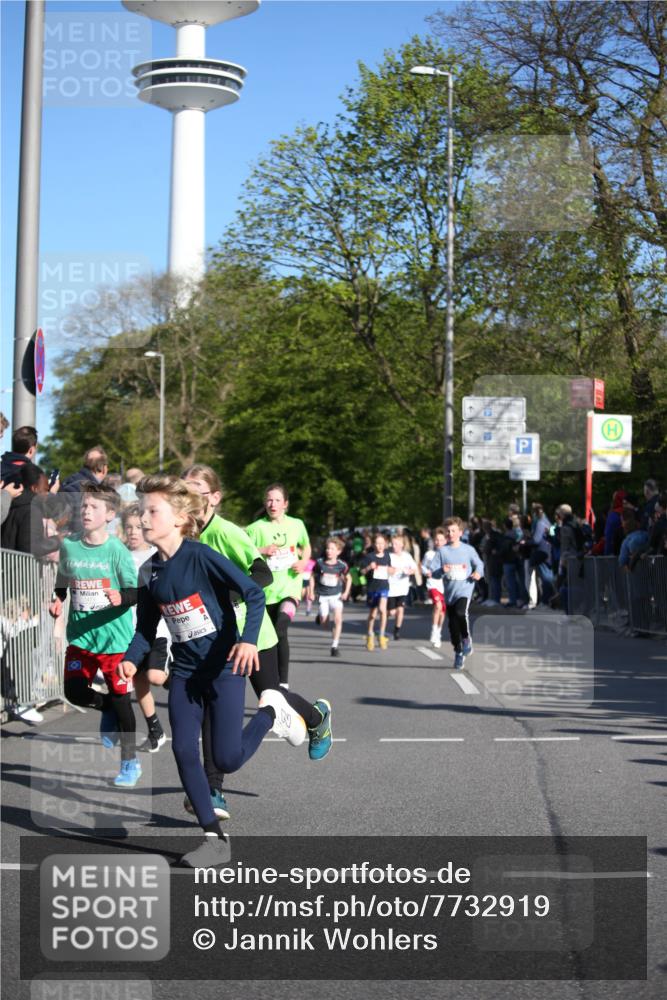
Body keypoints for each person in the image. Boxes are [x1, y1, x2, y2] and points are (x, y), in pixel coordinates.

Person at [117, 475, 303, 868]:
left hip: (224, 668)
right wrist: (131, 659)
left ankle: (272, 713)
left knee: (228, 759)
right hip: (186, 673)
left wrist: (248, 641)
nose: (143, 519)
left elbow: (253, 592)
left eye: (152, 511)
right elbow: (145, 630)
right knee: (184, 751)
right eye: (141, 511)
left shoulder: (201, 556)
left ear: (179, 518)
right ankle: (214, 840)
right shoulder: (149, 572)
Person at [181, 465, 333, 822]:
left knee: (272, 696)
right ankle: (213, 789)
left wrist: (224, 593)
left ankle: (317, 717)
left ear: (214, 497)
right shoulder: (184, 535)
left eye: (196, 489)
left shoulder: (227, 532)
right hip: (212, 638)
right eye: (183, 489)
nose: (187, 495)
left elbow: (261, 573)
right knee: (211, 706)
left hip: (253, 634)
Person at [48, 481, 140, 786]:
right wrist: (58, 598)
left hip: (114, 640)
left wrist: (120, 597)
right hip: (82, 637)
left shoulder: (117, 551)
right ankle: (106, 706)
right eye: (84, 505)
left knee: (123, 701)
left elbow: (135, 592)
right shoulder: (70, 545)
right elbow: (63, 577)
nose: (86, 511)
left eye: (94, 507)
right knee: (74, 691)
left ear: (109, 514)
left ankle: (130, 763)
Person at [246, 484, 311, 689]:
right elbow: (243, 553)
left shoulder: (297, 524)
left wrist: (304, 562)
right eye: (269, 500)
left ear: (285, 504)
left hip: (290, 588)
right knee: (270, 639)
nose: (272, 504)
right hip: (266, 592)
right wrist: (262, 550)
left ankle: (283, 683)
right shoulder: (255, 528)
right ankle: (272, 682)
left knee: (281, 628)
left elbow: (306, 547)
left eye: (277, 500)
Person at [121, 504, 169, 754]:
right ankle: (155, 730)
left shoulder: (154, 556)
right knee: (139, 682)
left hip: (157, 630)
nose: (133, 532)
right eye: (128, 527)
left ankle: (179, 679)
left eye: (138, 527)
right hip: (130, 632)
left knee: (155, 677)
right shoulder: (120, 556)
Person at [430, 516, 483, 670]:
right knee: (453, 627)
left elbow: (479, 564)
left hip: (465, 589)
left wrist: (478, 573)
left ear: (460, 532)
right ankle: (458, 651)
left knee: (461, 613)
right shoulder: (442, 551)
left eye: (454, 531)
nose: (450, 534)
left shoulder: (468, 550)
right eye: (448, 531)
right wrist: (442, 570)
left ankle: (466, 639)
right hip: (450, 593)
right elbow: (433, 572)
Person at [2, 464, 63, 559]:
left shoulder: (7, 505)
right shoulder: (31, 510)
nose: (47, 494)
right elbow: (30, 548)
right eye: (45, 490)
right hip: (20, 567)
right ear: (35, 488)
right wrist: (58, 539)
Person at [310, 537, 351, 656]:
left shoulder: (342, 565)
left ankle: (335, 646)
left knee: (338, 619)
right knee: (325, 624)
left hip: (336, 596)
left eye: (332, 549)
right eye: (328, 548)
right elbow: (312, 576)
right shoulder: (319, 563)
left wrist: (346, 592)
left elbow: (349, 578)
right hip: (323, 596)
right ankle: (321, 617)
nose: (329, 551)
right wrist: (311, 592)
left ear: (338, 551)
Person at [60, 446, 109, 534]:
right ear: (104, 469)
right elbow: (79, 524)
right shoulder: (89, 488)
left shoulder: (70, 481)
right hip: (75, 538)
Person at [360, 532, 394, 651]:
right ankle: (370, 634)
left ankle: (381, 635)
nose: (380, 546)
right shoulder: (369, 557)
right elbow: (361, 572)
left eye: (382, 543)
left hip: (384, 587)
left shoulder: (387, 556)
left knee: (382, 610)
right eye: (377, 543)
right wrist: (369, 567)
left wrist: (391, 570)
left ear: (385, 544)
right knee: (373, 614)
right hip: (372, 588)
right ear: (374, 544)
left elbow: (390, 569)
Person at [387, 533, 417, 640]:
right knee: (391, 612)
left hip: (402, 588)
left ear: (402, 545)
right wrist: (391, 570)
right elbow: (386, 569)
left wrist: (409, 571)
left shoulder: (407, 556)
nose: (393, 546)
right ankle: (383, 620)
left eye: (396, 544)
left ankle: (397, 631)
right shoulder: (389, 556)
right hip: (391, 588)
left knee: (400, 610)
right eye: (392, 543)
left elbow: (414, 568)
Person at [421, 526, 447, 646]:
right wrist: (426, 572)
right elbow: (422, 566)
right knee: (438, 605)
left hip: (445, 586)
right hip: (432, 584)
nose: (438, 542)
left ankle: (438, 632)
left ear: (445, 541)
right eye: (436, 540)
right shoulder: (429, 554)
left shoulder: (449, 555)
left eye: (441, 540)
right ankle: (434, 631)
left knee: (442, 611)